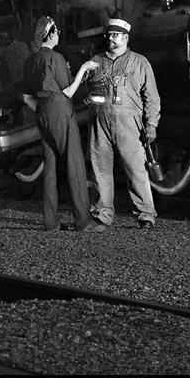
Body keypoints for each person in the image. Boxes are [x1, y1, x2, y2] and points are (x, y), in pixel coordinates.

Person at [70, 16, 160, 230]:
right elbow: (83, 90)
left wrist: (152, 124)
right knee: (100, 169)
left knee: (136, 170)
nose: (111, 38)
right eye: (109, 35)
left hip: (129, 123)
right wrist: (83, 75)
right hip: (100, 121)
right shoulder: (96, 61)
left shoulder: (140, 62)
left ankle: (146, 214)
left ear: (126, 38)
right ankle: (102, 214)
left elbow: (152, 97)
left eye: (115, 35)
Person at [21, 15, 92, 232]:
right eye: (57, 31)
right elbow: (68, 91)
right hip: (61, 113)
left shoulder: (31, 60)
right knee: (75, 165)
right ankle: (83, 220)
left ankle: (50, 222)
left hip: (42, 114)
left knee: (50, 168)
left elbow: (27, 96)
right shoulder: (56, 58)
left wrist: (44, 109)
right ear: (49, 34)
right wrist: (84, 69)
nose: (59, 35)